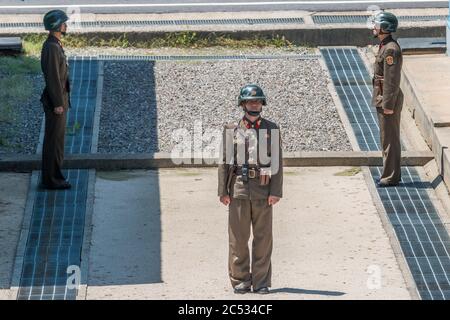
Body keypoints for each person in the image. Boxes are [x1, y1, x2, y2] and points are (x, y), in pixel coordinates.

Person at [218, 84, 283, 294]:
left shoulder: (271, 129)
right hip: (238, 189)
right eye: (250, 101)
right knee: (238, 238)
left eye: (257, 101)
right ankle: (240, 279)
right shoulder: (231, 129)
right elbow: (225, 162)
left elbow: (277, 163)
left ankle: (262, 282)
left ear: (262, 103)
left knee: (263, 239)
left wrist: (276, 191)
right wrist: (223, 190)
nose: (254, 104)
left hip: (263, 191)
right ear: (243, 104)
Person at [40, 9, 71, 190]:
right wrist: (58, 103)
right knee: (54, 142)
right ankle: (52, 180)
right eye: (63, 23)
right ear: (56, 26)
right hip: (55, 103)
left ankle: (53, 177)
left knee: (57, 141)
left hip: (59, 101)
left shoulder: (55, 44)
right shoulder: (51, 47)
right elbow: (52, 77)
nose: (66, 25)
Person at [371, 11, 404, 187]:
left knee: (390, 139)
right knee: (387, 138)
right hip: (382, 97)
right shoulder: (385, 45)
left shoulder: (390, 49)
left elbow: (392, 80)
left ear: (385, 28)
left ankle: (390, 176)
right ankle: (391, 174)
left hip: (387, 98)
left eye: (377, 25)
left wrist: (388, 104)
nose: (374, 28)